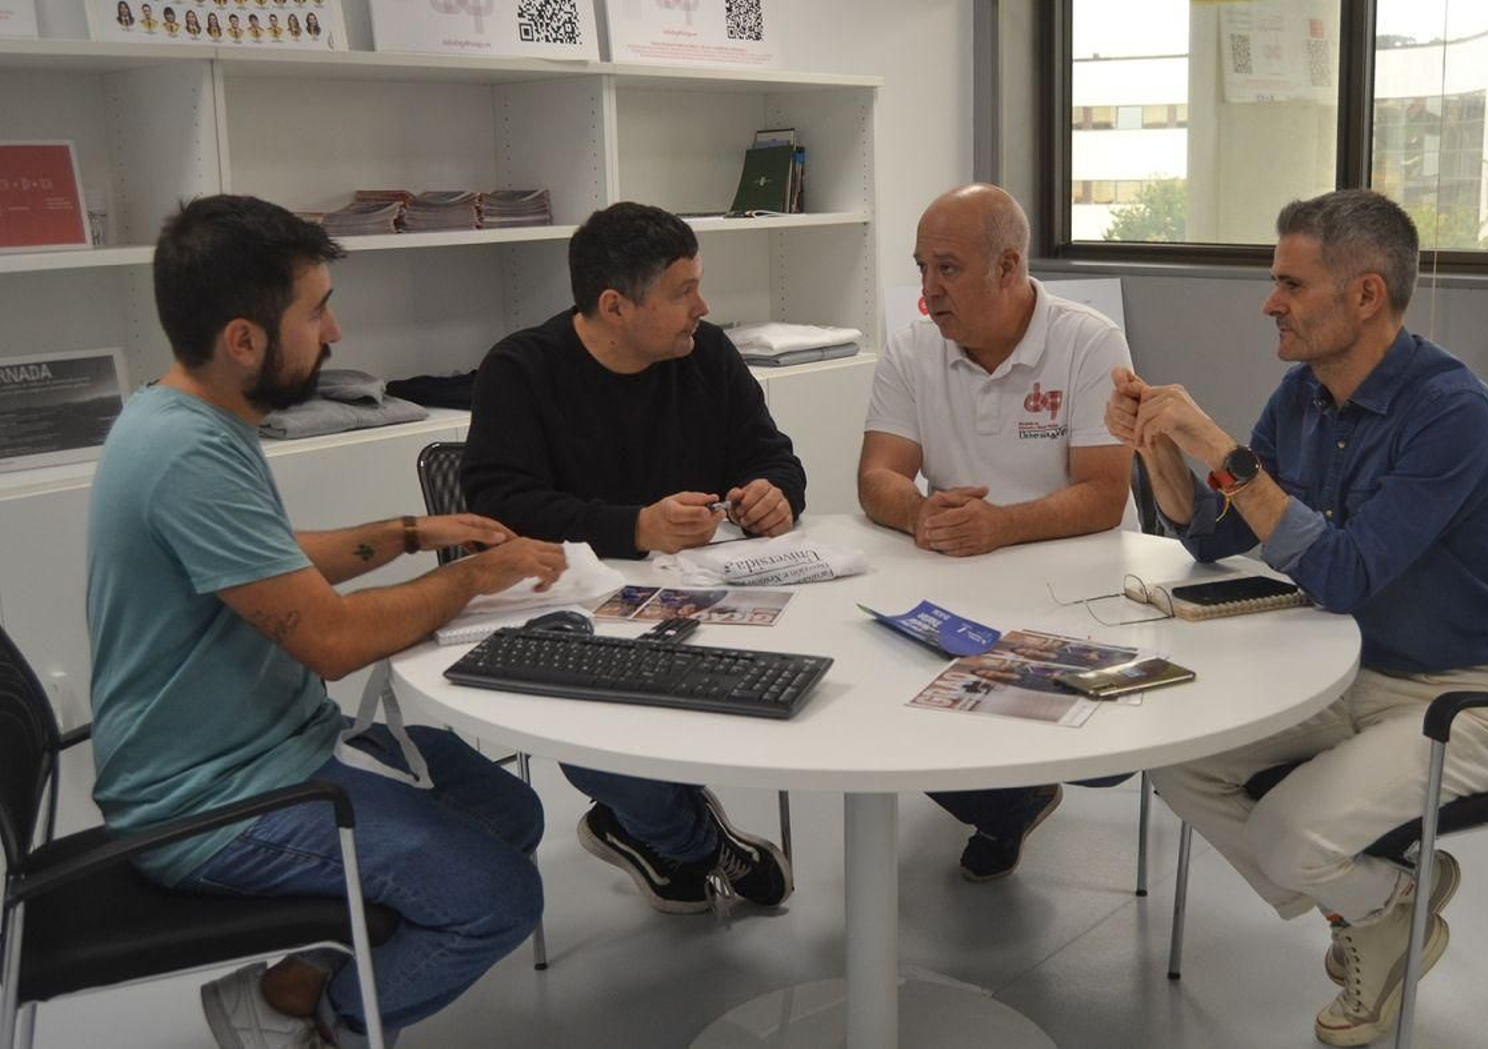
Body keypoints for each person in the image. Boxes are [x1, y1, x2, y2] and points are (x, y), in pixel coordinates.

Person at [87, 195, 569, 1049]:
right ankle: (315, 1026)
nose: (336, 333)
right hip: (212, 805)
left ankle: (294, 980)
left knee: (509, 811)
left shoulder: (181, 415)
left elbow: (265, 559)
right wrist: (472, 578)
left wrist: (413, 533)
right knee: (499, 896)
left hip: (272, 750)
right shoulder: (186, 452)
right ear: (244, 339)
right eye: (316, 312)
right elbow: (333, 642)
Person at [1106, 189, 1488, 1047]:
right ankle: (1382, 908)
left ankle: (1381, 905)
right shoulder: (1303, 396)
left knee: (1284, 835)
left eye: (1290, 284)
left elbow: (1343, 573)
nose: (1270, 301)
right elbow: (1213, 537)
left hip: (1471, 695)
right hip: (1349, 670)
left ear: (1366, 295)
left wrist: (1223, 453)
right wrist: (1161, 451)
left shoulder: (1452, 413)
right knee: (1176, 762)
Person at [463, 201, 801, 917]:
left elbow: (770, 451)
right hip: (574, 609)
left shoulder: (705, 353)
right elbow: (499, 506)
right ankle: (698, 841)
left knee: (801, 677)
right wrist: (635, 524)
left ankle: (653, 831)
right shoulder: (521, 370)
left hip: (708, 601)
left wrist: (777, 493)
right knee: (587, 723)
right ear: (615, 305)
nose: (702, 308)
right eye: (683, 292)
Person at [857, 183, 1135, 881]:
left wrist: (1002, 526)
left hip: (1075, 581)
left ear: (1008, 267)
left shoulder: (1088, 341)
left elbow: (1105, 494)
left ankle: (1012, 788)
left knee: (1102, 760)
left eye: (946, 268)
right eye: (920, 268)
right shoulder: (912, 349)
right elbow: (877, 477)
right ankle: (1008, 801)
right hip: (958, 572)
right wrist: (921, 512)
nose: (928, 289)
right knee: (877, 697)